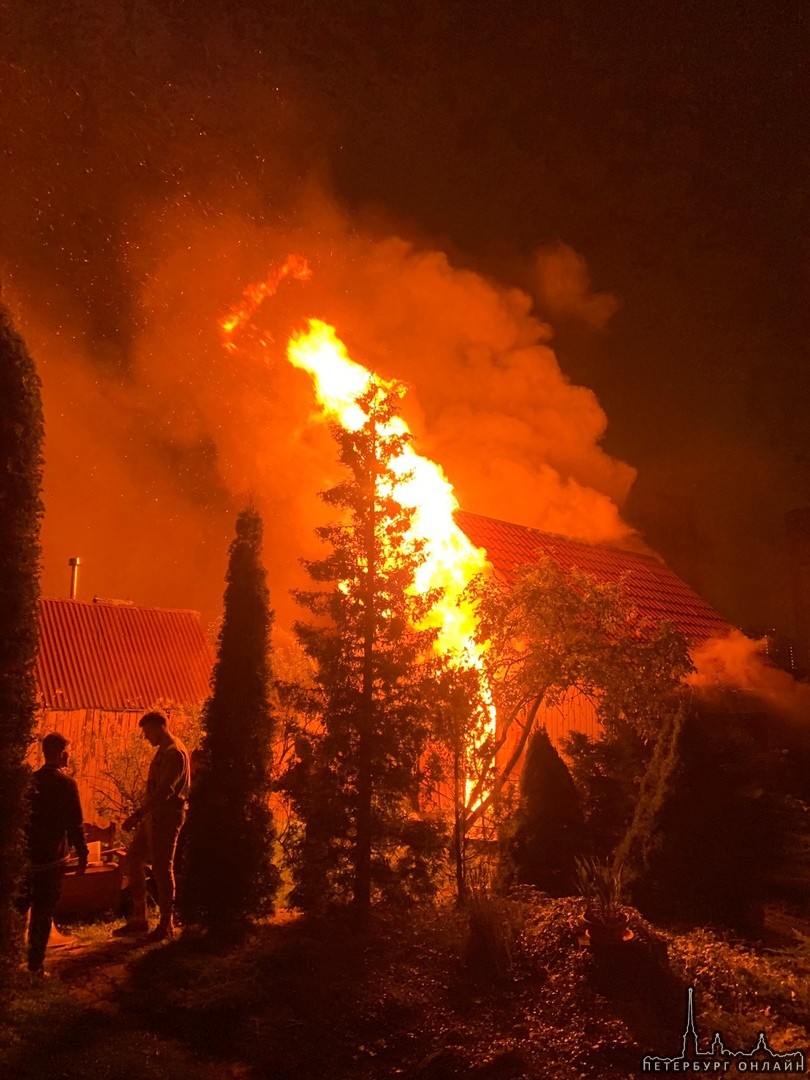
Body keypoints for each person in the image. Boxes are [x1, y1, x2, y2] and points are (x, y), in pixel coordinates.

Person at [114, 711, 190, 942]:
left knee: (161, 868)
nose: (146, 737)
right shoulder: (164, 751)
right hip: (153, 817)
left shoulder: (174, 753)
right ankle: (140, 918)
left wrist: (137, 815)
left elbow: (164, 792)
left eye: (148, 731)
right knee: (133, 858)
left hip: (166, 817)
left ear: (160, 726)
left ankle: (166, 923)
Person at [18, 732, 89, 976]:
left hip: (27, 856)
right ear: (61, 754)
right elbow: (75, 822)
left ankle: (11, 959)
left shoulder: (29, 781)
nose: (70, 755)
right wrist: (82, 853)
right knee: (44, 910)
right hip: (53, 857)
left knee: (20, 907)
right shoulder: (67, 784)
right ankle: (35, 966)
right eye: (68, 751)